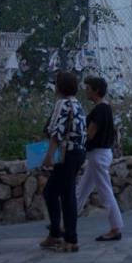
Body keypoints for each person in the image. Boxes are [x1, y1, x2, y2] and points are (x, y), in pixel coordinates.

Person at [40, 71, 86, 253]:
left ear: (60, 86)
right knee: (64, 194)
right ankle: (57, 233)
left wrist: (49, 156)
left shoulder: (63, 103)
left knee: (55, 193)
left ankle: (68, 238)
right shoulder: (77, 104)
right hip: (78, 153)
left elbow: (56, 132)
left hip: (66, 154)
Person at [74, 76, 124, 242]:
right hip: (101, 154)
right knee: (82, 189)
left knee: (105, 191)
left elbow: (90, 133)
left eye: (88, 88)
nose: (86, 91)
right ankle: (66, 221)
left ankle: (116, 227)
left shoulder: (99, 110)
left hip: (98, 154)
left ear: (95, 90)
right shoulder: (105, 108)